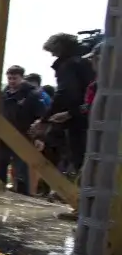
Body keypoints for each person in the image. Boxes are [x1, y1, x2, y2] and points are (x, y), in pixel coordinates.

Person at [40, 33, 95, 175]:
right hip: (90, 114)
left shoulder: (68, 65)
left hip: (78, 120)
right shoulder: (85, 62)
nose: (52, 55)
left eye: (52, 51)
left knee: (78, 158)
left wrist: (45, 119)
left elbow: (65, 93)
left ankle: (77, 193)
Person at [0, 66, 45, 195]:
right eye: (9, 78)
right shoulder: (4, 93)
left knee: (22, 171)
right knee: (0, 166)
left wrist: (39, 137)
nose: (12, 81)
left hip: (23, 135)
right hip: (4, 135)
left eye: (15, 78)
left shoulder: (32, 95)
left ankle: (23, 194)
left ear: (22, 78)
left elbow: (41, 117)